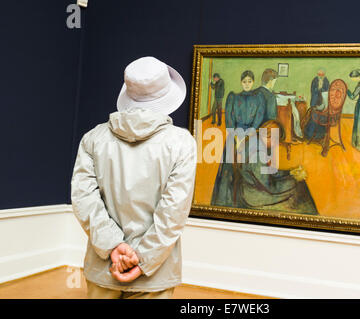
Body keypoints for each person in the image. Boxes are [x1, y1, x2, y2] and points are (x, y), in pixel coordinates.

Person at [71, 56, 197, 299]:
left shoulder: (92, 139)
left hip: (104, 266)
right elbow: (173, 211)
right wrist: (142, 257)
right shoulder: (182, 143)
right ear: (167, 95)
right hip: (155, 272)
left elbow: (84, 199)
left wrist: (114, 247)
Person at [234, 120, 318, 214]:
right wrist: (292, 180)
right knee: (298, 185)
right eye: (277, 140)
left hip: (251, 186)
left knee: (295, 181)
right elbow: (268, 186)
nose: (277, 143)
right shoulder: (259, 154)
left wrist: (289, 172)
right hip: (254, 194)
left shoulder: (254, 140)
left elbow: (266, 172)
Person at [210, 70, 265, 207]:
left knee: (254, 163)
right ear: (241, 82)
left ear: (253, 82)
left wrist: (249, 133)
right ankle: (226, 199)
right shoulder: (233, 97)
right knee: (230, 164)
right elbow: (228, 118)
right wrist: (236, 136)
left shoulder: (259, 97)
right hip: (235, 134)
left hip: (251, 134)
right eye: (244, 81)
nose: (247, 84)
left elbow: (259, 116)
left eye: (249, 81)